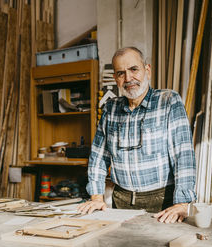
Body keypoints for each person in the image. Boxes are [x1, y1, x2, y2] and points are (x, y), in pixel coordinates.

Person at [77, 47, 196, 223]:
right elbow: (98, 157)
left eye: (134, 69)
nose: (128, 78)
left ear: (147, 70)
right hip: (122, 200)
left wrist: (183, 202)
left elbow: (183, 155)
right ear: (116, 78)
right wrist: (96, 197)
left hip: (162, 201)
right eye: (120, 73)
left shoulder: (168, 101)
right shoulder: (111, 109)